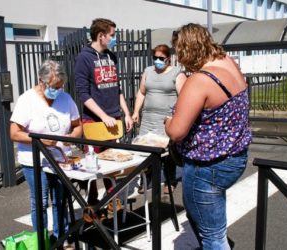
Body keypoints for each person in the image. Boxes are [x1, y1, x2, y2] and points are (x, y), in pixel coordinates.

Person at [165, 23, 252, 249]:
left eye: (178, 51)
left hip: (207, 166)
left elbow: (176, 131)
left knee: (213, 237)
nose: (178, 57)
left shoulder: (200, 80)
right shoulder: (229, 63)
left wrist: (167, 122)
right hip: (235, 157)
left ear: (186, 49)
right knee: (210, 222)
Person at [10, 60, 83, 245]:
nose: (57, 90)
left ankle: (63, 239)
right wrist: (39, 140)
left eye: (60, 86)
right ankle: (41, 241)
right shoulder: (27, 99)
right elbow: (14, 133)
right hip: (35, 160)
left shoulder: (65, 98)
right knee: (40, 202)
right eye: (53, 87)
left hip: (60, 159)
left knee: (60, 200)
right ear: (41, 81)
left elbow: (77, 125)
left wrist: (71, 136)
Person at [74, 18, 133, 207]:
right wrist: (103, 116)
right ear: (101, 36)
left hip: (113, 118)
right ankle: (91, 201)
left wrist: (127, 113)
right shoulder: (84, 58)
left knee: (111, 160)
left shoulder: (112, 57)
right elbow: (83, 94)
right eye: (112, 36)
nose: (114, 39)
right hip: (94, 121)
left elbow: (117, 89)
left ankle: (111, 197)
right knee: (92, 162)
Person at [132, 44, 187, 194]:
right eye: (155, 58)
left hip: (166, 120)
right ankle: (146, 180)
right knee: (146, 151)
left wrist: (177, 117)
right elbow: (142, 92)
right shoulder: (148, 71)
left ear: (168, 59)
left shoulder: (177, 73)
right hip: (148, 119)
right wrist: (136, 111)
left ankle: (170, 181)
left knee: (167, 153)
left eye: (161, 58)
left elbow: (184, 97)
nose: (157, 60)